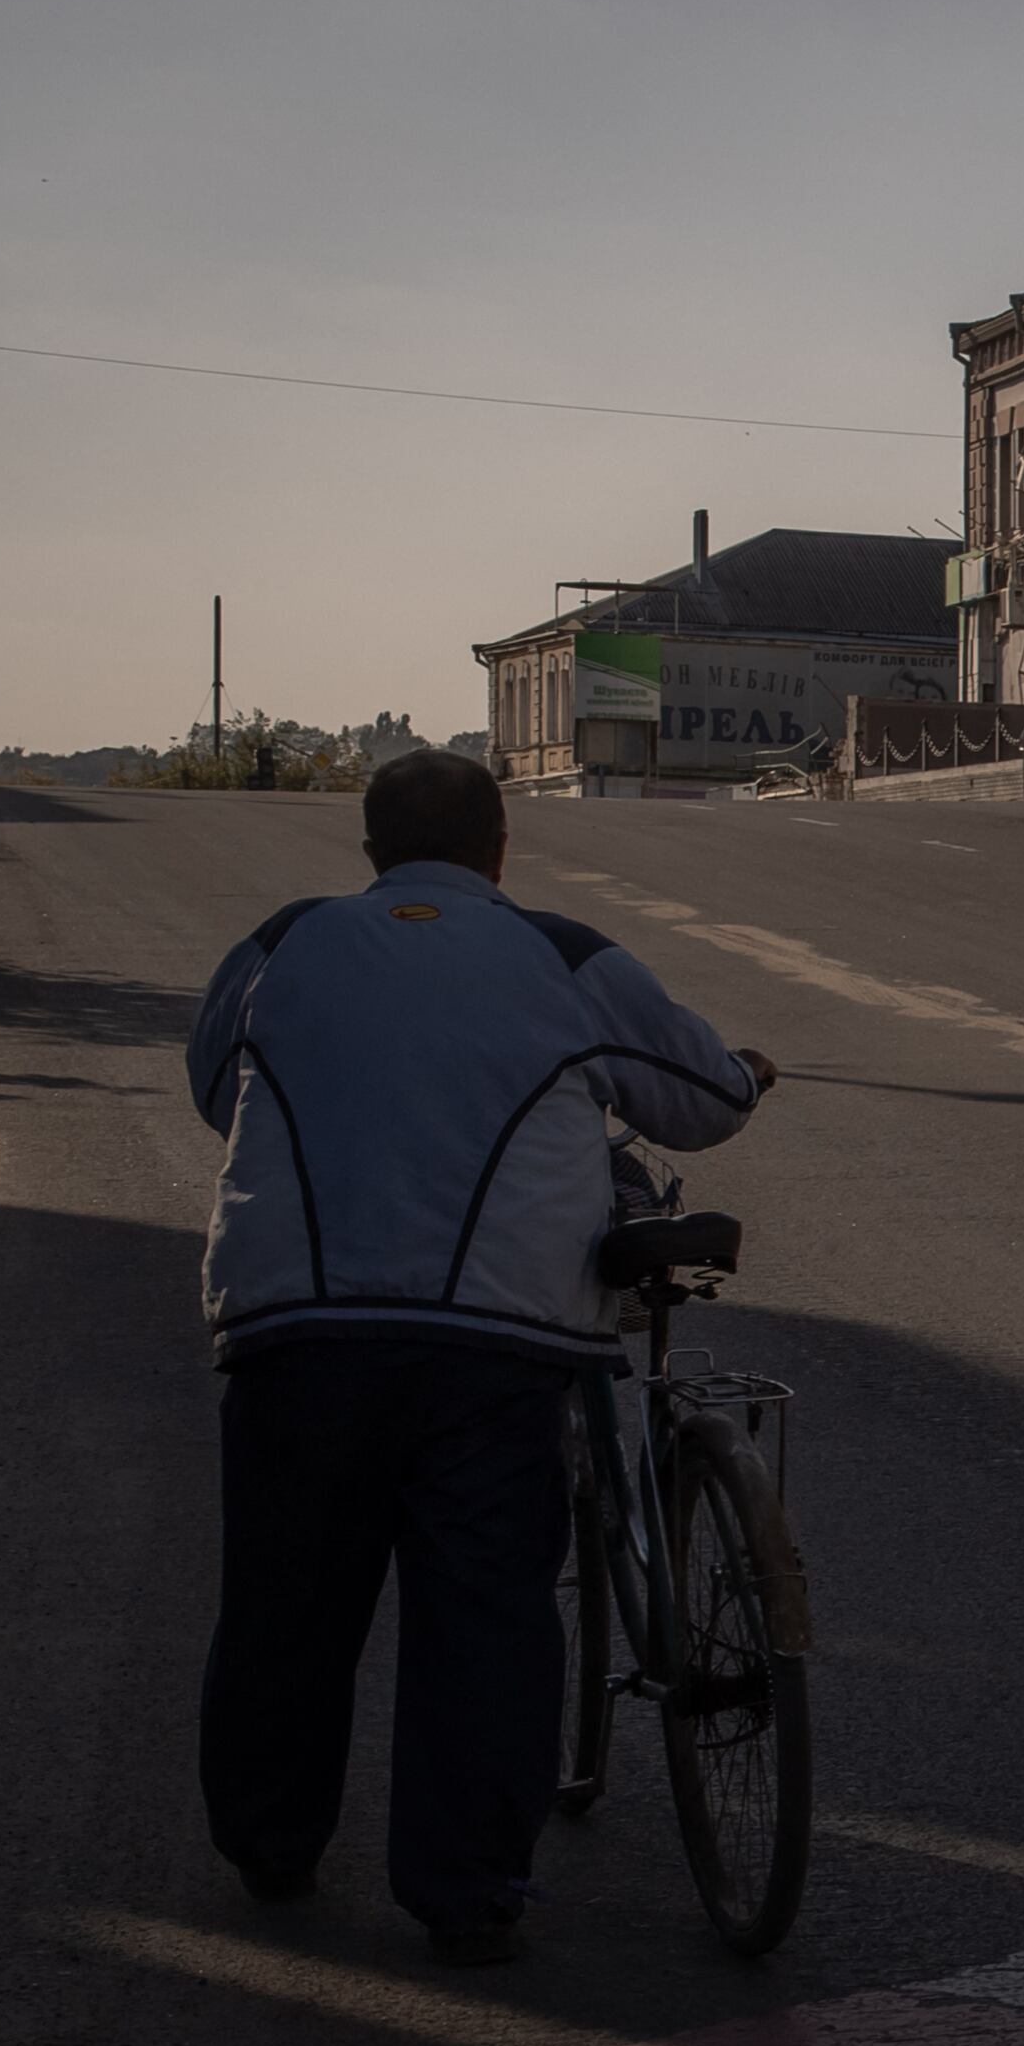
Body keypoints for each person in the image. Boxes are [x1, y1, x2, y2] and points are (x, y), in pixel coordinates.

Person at [184, 751, 774, 1966]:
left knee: (287, 1598)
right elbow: (699, 1101)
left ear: (369, 851)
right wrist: (747, 1071)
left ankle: (270, 1843)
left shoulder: (280, 942)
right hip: (490, 1343)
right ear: (503, 851)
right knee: (484, 1610)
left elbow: (211, 1083)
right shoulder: (561, 955)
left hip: (295, 1328)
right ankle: (465, 1890)